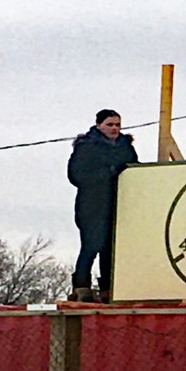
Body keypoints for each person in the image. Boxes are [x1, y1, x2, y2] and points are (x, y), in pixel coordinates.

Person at [67, 109, 138, 302]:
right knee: (91, 245)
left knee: (110, 247)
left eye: (117, 125)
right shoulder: (86, 147)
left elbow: (135, 171)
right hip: (92, 205)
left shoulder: (126, 147)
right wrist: (109, 173)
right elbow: (76, 175)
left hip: (118, 203)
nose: (114, 129)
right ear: (99, 125)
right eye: (110, 125)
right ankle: (82, 287)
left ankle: (108, 287)